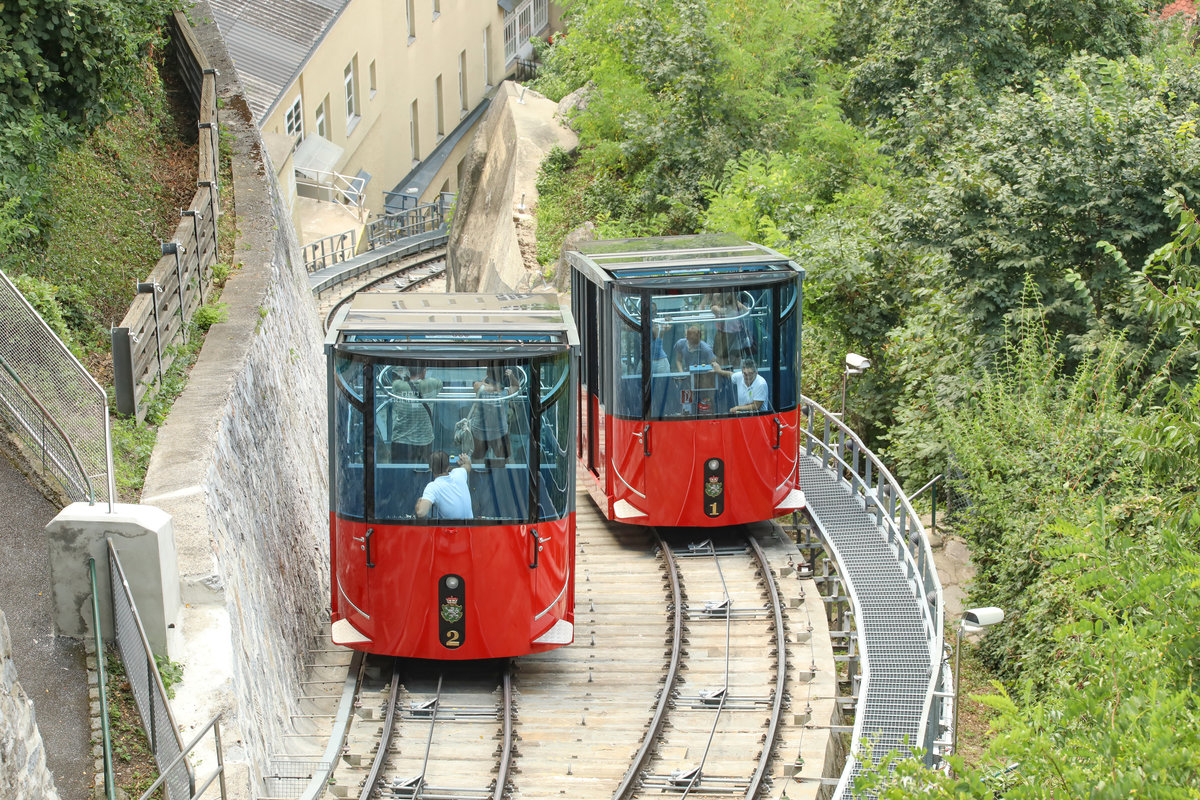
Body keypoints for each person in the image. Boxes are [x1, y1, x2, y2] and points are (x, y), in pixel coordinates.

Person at [390, 366, 442, 463]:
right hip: (424, 441)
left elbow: (396, 382)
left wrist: (404, 375)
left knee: (399, 474)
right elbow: (439, 383)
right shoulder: (432, 384)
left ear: (408, 370)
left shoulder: (398, 386)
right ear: (424, 371)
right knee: (423, 474)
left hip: (401, 440)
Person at [468, 367, 520, 461]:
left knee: (477, 458)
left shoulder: (480, 388)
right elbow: (516, 386)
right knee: (503, 458)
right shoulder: (505, 392)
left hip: (480, 431)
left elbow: (477, 384)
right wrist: (511, 376)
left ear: (488, 373)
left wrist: (487, 380)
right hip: (499, 432)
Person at [416, 451, 473, 519]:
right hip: (470, 527)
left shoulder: (432, 487)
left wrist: (419, 502)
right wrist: (466, 460)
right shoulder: (459, 473)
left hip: (452, 529)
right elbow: (467, 466)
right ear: (448, 467)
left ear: (430, 469)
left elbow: (421, 512)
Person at [649, 302, 670, 374]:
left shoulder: (659, 325)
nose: (654, 313)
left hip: (660, 361)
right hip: (646, 360)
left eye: (654, 311)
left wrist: (669, 320)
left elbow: (668, 326)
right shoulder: (639, 323)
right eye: (651, 311)